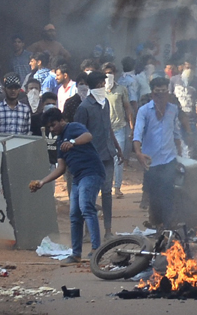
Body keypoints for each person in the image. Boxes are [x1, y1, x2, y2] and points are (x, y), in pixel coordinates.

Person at [30, 108, 104, 265]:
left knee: (86, 208)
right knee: (74, 215)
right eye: (49, 127)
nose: (52, 129)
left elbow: (88, 136)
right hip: (77, 177)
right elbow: (61, 167)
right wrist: (43, 182)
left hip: (91, 172)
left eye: (53, 125)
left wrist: (72, 142)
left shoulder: (73, 127)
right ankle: (76, 253)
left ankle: (97, 249)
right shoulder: (59, 140)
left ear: (61, 120)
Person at [74, 72, 123, 241]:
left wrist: (118, 148)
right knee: (91, 194)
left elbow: (108, 127)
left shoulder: (105, 103)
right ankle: (89, 231)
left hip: (108, 154)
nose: (103, 86)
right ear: (93, 86)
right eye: (101, 84)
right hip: (92, 157)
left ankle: (108, 230)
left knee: (107, 192)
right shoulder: (84, 108)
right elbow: (78, 133)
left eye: (104, 83)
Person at [133, 77, 181, 229]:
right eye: (158, 92)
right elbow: (137, 134)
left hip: (169, 159)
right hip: (150, 161)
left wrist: (180, 155)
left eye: (164, 92)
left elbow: (176, 133)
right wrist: (138, 153)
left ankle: (168, 228)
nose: (161, 96)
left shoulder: (173, 109)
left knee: (168, 194)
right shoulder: (144, 111)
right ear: (152, 94)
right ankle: (156, 225)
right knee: (154, 197)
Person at [102, 62, 134, 198]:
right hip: (103, 129)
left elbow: (127, 108)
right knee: (104, 158)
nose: (108, 75)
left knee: (118, 158)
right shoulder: (98, 90)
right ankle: (105, 186)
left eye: (111, 73)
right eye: (106, 73)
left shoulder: (121, 89)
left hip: (119, 127)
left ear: (114, 74)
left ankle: (117, 187)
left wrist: (132, 126)